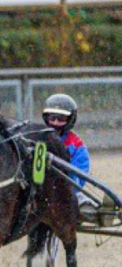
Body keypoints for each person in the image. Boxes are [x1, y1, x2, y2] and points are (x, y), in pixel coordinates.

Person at [41, 93, 98, 222]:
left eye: (61, 118)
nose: (56, 123)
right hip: (41, 187)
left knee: (79, 199)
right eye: (52, 118)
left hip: (66, 188)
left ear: (70, 120)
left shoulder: (76, 144)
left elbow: (80, 172)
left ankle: (82, 207)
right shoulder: (38, 138)